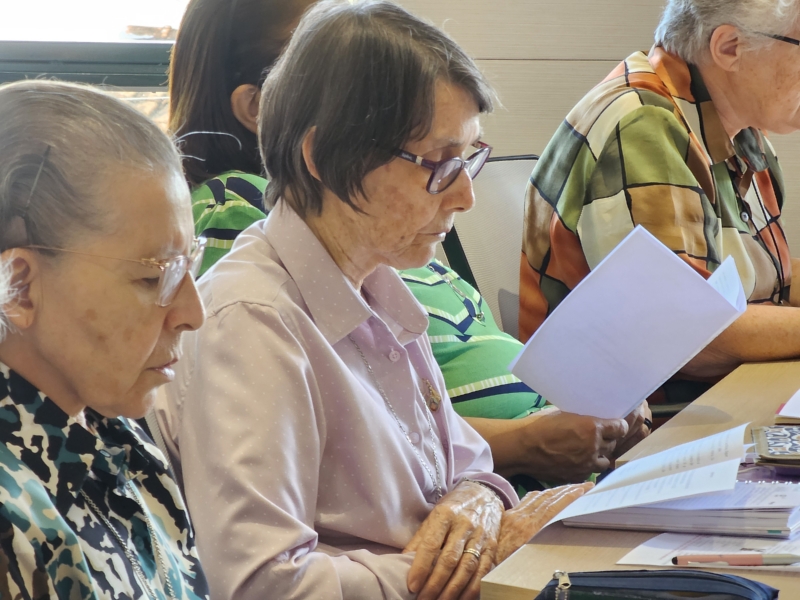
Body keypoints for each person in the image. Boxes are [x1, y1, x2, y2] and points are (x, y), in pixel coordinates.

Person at [155, 2, 593, 599]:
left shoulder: (377, 280)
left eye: (468, 158)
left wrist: (479, 501)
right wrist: (478, 561)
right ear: (323, 156)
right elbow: (263, 585)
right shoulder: (253, 323)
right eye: (438, 163)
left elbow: (466, 465)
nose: (465, 195)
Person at [520, 0, 800, 406]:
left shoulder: (738, 128)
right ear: (729, 48)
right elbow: (689, 335)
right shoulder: (643, 126)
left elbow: (770, 277)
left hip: (722, 395)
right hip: (647, 420)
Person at [0, 80, 210, 600]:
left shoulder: (116, 435)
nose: (193, 314)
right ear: (19, 286)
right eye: (154, 277)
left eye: (190, 266)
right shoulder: (12, 517)